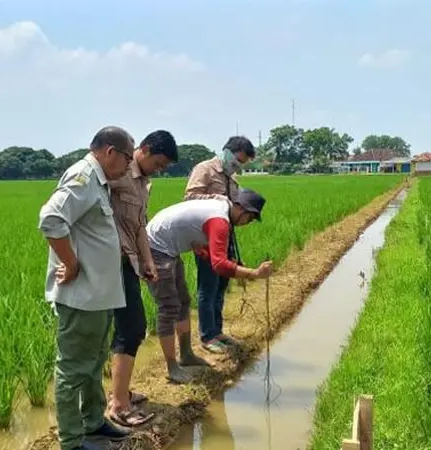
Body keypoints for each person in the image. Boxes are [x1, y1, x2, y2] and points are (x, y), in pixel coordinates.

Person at [38, 126, 135, 450]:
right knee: (72, 369)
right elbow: (51, 218)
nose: (128, 165)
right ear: (110, 152)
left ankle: (93, 422)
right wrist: (72, 262)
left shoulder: (99, 181)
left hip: (99, 296)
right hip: (82, 297)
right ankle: (71, 441)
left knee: (93, 363)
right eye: (127, 157)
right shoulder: (82, 176)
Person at [145, 188, 272, 384]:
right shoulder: (219, 220)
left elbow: (206, 248)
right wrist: (254, 273)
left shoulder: (222, 213)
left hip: (168, 248)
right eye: (250, 217)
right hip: (155, 247)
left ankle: (186, 355)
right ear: (240, 208)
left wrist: (234, 266)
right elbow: (219, 264)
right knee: (169, 307)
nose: (248, 223)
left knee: (183, 302)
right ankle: (172, 368)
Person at [105, 130, 178, 427]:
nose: (159, 170)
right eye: (158, 163)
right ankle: (119, 405)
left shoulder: (144, 184)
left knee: (129, 328)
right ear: (144, 150)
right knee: (132, 328)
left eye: (163, 167)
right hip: (110, 262)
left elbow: (139, 225)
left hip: (129, 261)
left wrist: (147, 261)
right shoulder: (116, 174)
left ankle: (120, 393)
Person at [184, 136, 256, 354]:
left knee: (221, 286)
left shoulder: (232, 179)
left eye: (242, 164)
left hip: (225, 237)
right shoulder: (204, 169)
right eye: (237, 161)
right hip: (205, 240)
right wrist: (218, 200)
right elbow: (189, 199)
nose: (238, 166)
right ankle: (207, 336)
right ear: (227, 152)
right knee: (208, 287)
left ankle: (218, 331)